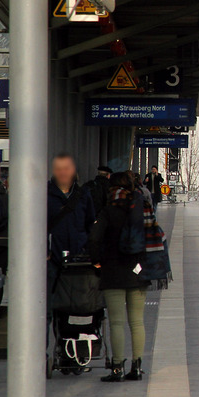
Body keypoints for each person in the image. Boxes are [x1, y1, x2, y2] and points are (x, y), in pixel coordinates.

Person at [93, 171, 147, 382]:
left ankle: (117, 368)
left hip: (113, 271)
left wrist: (96, 261)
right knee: (137, 322)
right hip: (138, 270)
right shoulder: (143, 208)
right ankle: (137, 367)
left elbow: (95, 239)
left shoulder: (108, 211)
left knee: (116, 322)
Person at [47, 153, 95, 284]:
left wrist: (87, 249)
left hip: (78, 256)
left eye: (66, 168)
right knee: (52, 295)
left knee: (75, 296)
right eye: (59, 168)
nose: (63, 172)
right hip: (51, 257)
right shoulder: (45, 194)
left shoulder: (83, 195)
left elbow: (90, 223)